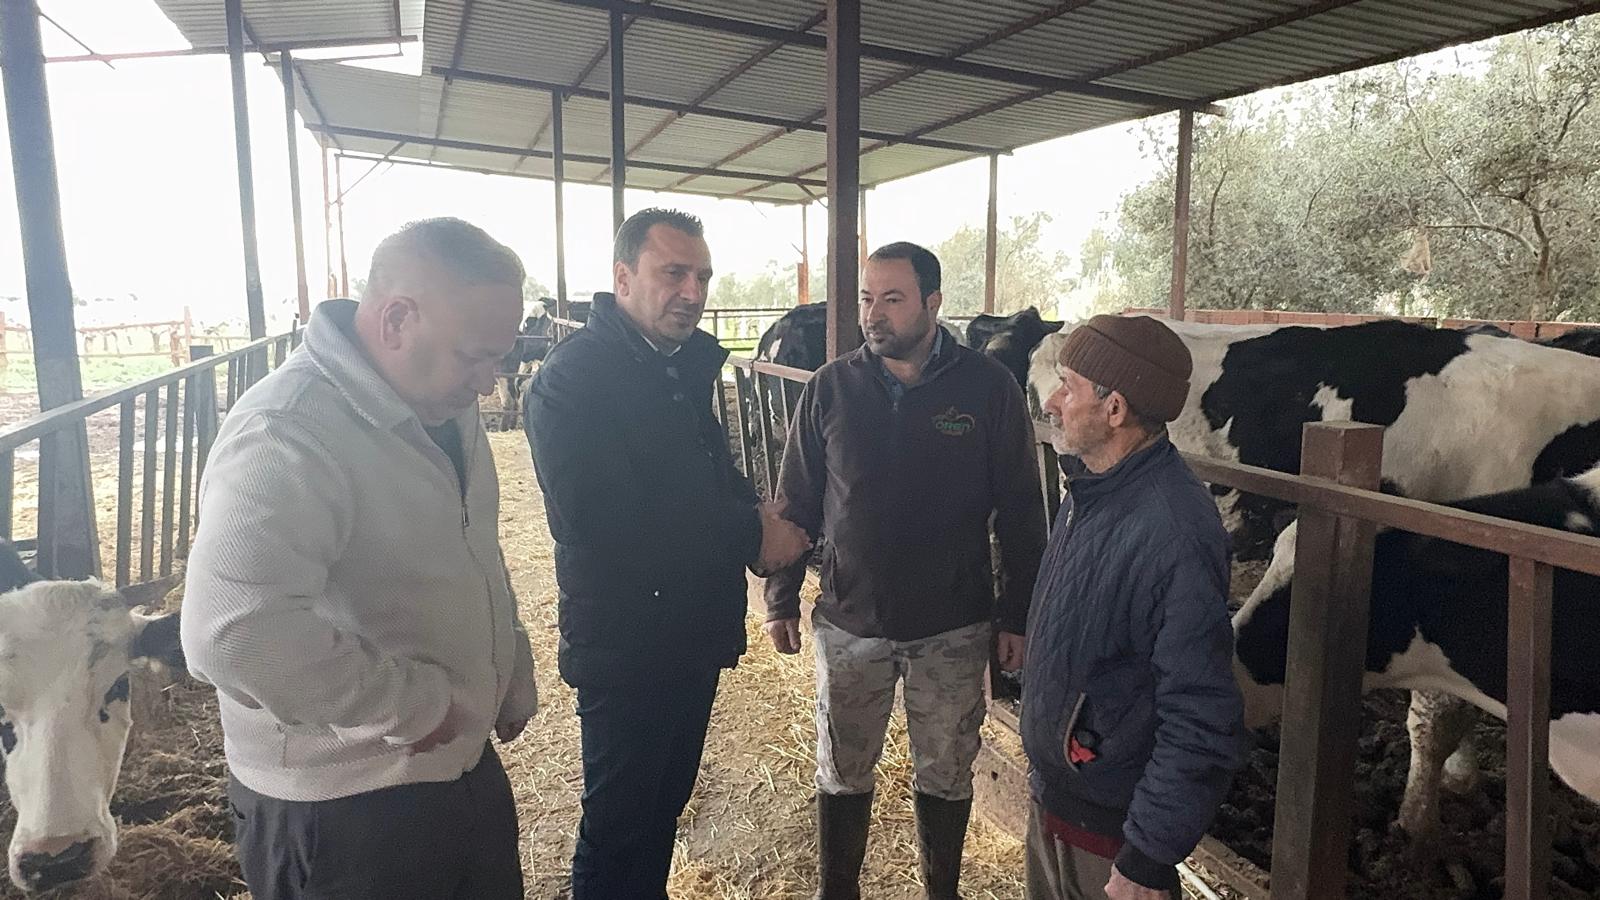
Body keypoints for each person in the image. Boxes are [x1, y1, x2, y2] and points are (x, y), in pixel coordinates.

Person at [181, 218, 540, 900]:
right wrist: (415, 707)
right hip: (346, 807)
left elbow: (473, 546)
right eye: (474, 357)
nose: (489, 385)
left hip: (452, 767)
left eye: (500, 357)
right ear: (397, 320)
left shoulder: (439, 406)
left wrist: (507, 663)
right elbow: (232, 632)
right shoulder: (289, 429)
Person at [523, 207, 811, 899]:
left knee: (660, 810)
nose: (692, 291)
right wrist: (750, 535)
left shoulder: (672, 369)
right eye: (673, 273)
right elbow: (601, 521)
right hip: (626, 640)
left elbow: (705, 475)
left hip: (685, 630)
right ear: (623, 278)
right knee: (618, 824)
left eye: (702, 277)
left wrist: (757, 514)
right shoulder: (575, 380)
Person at [764, 242, 1048, 900]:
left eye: (892, 299)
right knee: (842, 767)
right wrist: (781, 596)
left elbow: (1020, 511)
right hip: (850, 619)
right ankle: (838, 891)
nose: (873, 314)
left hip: (953, 624)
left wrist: (1016, 614)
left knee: (946, 769)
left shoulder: (987, 388)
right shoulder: (831, 386)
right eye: (867, 298)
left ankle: (940, 890)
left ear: (933, 303)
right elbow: (796, 497)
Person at [1023, 315, 1248, 900]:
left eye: (1068, 386)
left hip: (1112, 838)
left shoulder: (1173, 530)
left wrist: (1147, 856)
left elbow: (1201, 712)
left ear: (1115, 408)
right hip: (1059, 798)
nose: (1052, 402)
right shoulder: (1091, 491)